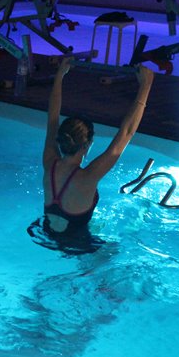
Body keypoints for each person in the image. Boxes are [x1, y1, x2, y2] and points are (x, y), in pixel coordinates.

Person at [42, 59, 154, 234]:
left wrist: (59, 76)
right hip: (76, 245)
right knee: (120, 243)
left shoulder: (49, 163)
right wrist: (146, 85)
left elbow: (52, 118)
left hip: (44, 233)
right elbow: (127, 132)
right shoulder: (88, 176)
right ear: (88, 145)